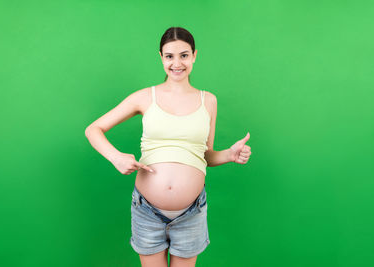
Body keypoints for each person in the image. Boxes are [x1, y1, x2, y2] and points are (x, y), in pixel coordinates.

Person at [85, 26, 252, 267]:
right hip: (147, 210)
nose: (177, 63)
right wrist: (115, 157)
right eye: (169, 56)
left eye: (184, 55)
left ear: (194, 55)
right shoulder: (144, 97)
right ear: (161, 57)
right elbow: (93, 129)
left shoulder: (209, 100)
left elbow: (204, 155)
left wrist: (229, 154)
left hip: (191, 212)